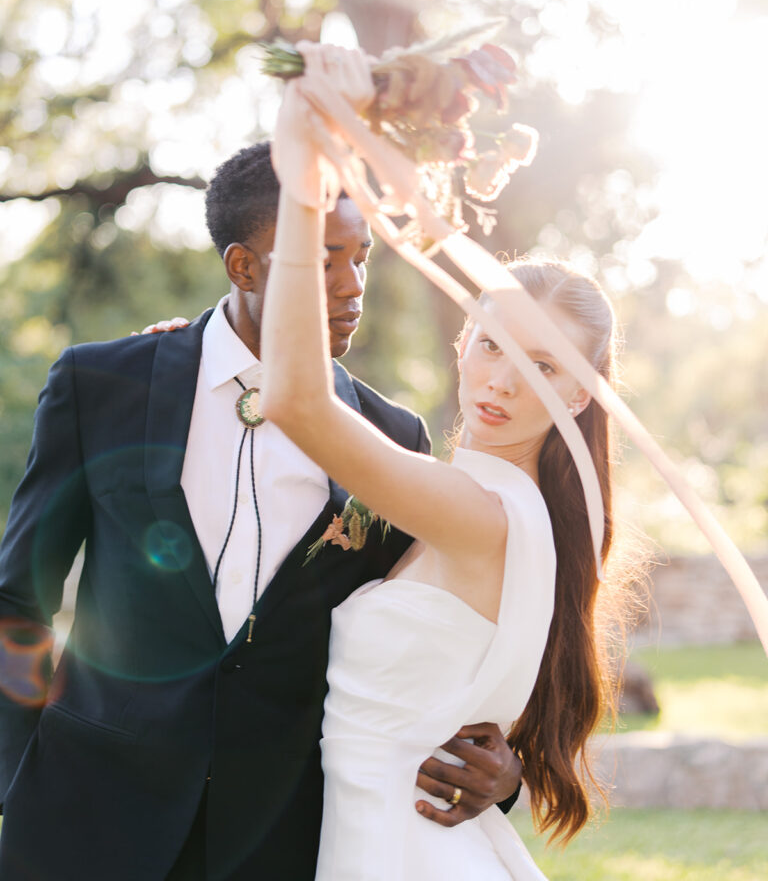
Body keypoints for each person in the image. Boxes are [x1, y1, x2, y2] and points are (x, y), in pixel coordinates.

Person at [0, 142, 522, 881]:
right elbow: (18, 595)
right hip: (85, 817)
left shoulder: (393, 438)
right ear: (243, 267)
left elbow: (424, 640)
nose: (352, 287)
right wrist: (15, 770)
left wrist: (505, 770)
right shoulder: (101, 386)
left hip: (282, 836)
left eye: (362, 258)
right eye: (324, 261)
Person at [258, 42, 621, 879]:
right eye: (490, 344)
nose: (500, 381)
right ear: (464, 341)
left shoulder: (481, 511)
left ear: (577, 395)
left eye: (542, 367)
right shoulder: (491, 501)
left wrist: (305, 176)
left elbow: (295, 400)